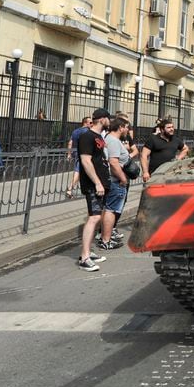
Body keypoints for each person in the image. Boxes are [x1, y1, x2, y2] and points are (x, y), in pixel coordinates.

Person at [76, 108, 111, 271]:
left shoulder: (98, 136)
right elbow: (86, 161)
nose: (109, 122)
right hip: (92, 185)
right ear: (102, 119)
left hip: (101, 183)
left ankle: (88, 251)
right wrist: (97, 182)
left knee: (97, 216)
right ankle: (84, 257)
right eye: (108, 119)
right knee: (94, 218)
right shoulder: (87, 136)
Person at [98, 117, 131, 251]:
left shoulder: (111, 140)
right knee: (111, 210)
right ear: (121, 127)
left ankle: (106, 237)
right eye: (126, 127)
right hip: (115, 181)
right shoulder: (113, 141)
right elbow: (113, 163)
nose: (128, 130)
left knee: (109, 208)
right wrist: (123, 178)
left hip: (113, 180)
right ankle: (106, 240)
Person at [140, 118, 188, 182]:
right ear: (162, 130)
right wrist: (145, 172)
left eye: (172, 127)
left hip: (171, 174)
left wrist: (179, 158)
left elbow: (185, 149)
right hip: (155, 174)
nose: (172, 129)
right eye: (168, 127)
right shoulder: (153, 139)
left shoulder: (175, 140)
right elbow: (143, 155)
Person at [65, 116, 93, 198]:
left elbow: (70, 142)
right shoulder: (87, 131)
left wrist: (69, 154)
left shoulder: (75, 131)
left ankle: (86, 189)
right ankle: (69, 189)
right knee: (78, 171)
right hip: (83, 153)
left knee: (82, 171)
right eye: (90, 123)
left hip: (75, 152)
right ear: (85, 123)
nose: (92, 124)